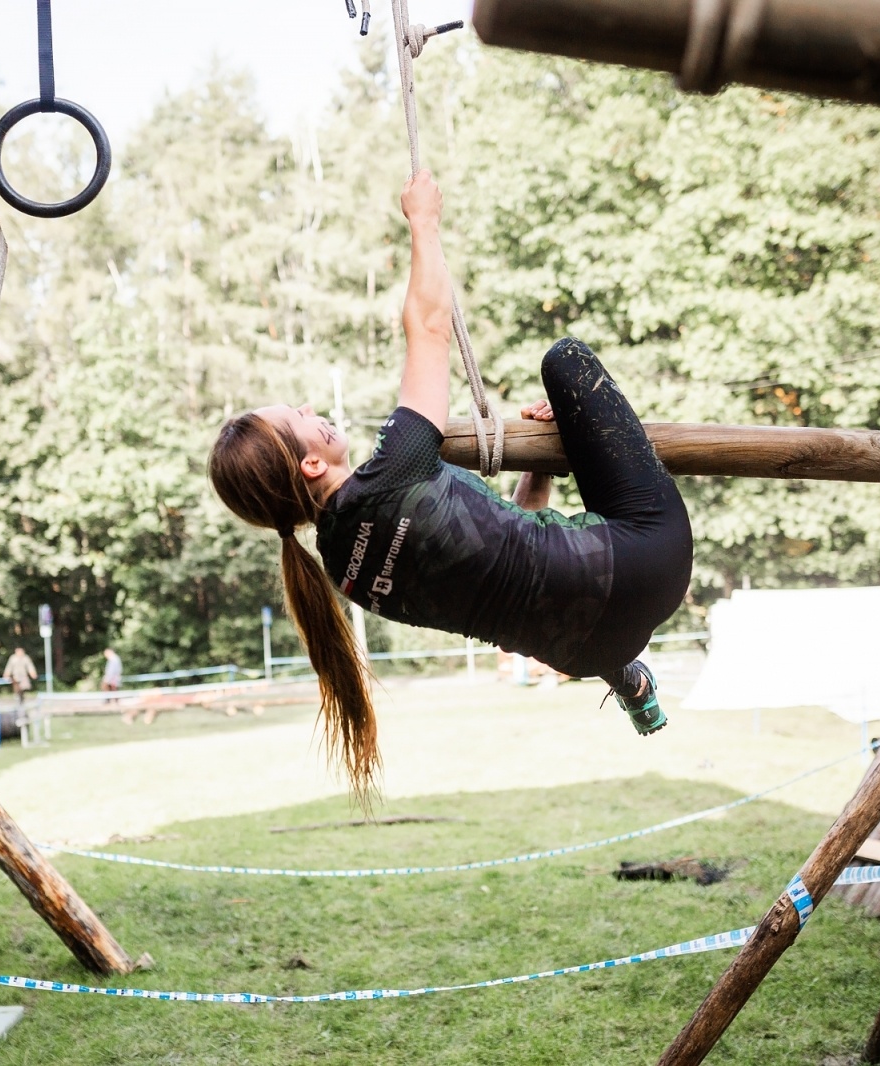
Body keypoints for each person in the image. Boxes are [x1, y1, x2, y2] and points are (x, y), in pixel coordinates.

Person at [207, 169, 693, 803]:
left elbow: (506, 551)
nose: (308, 409)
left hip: (587, 650)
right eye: (297, 418)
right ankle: (627, 669)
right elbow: (430, 327)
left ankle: (630, 682)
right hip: (648, 562)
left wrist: (540, 463)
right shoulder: (395, 467)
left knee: (540, 599)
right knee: (566, 362)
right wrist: (423, 221)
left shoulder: (342, 574)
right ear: (310, 465)